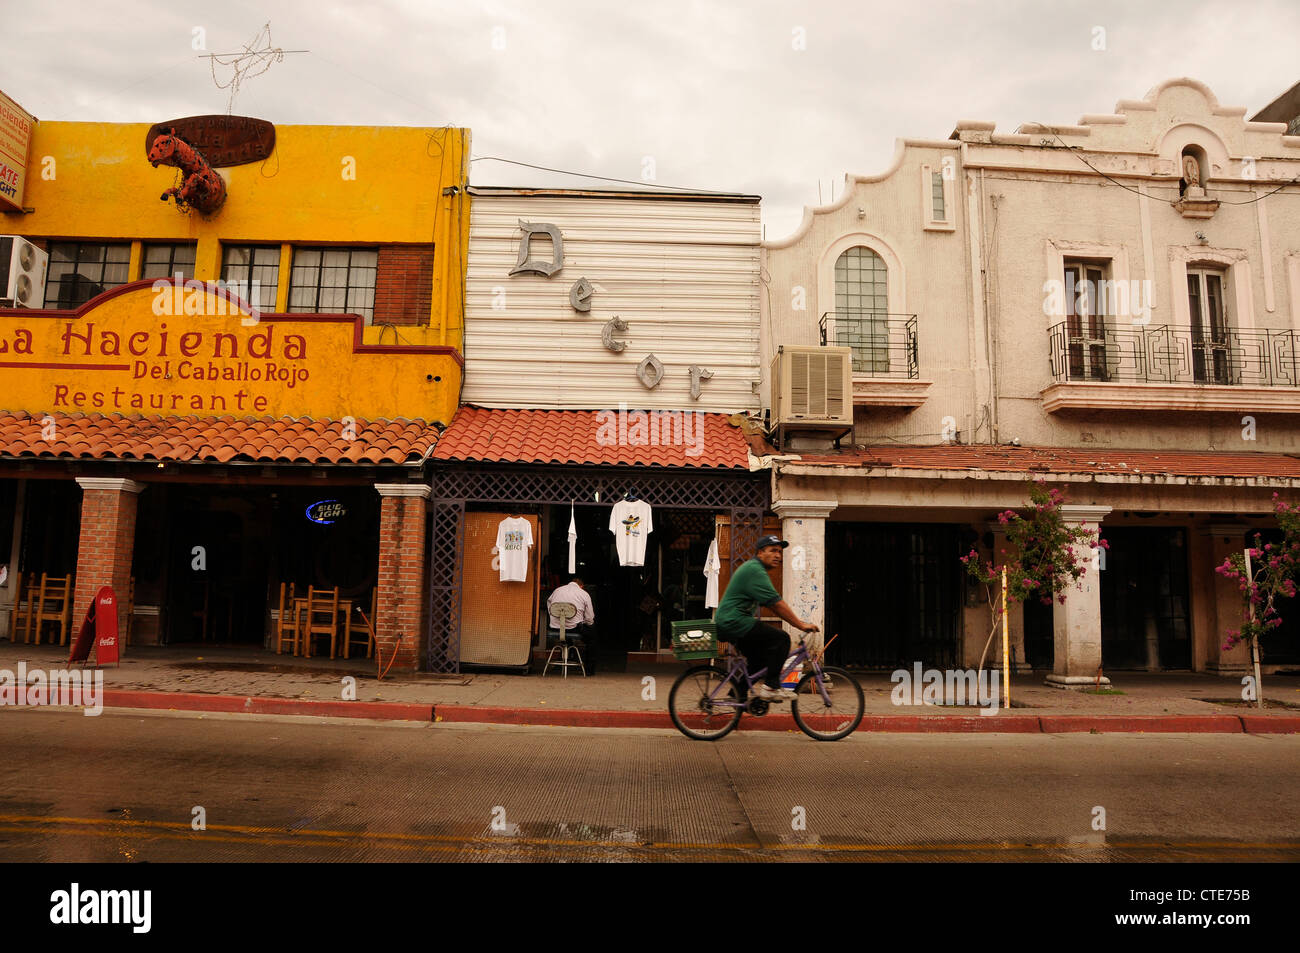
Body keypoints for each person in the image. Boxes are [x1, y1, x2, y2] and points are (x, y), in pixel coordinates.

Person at [715, 535, 819, 701]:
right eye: (773, 550)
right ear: (760, 552)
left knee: (760, 661)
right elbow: (777, 604)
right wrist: (801, 625)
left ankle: (735, 695)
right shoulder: (755, 570)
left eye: (779, 551)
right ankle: (771, 687)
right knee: (782, 639)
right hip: (734, 621)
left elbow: (772, 604)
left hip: (731, 623)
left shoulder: (755, 569)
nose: (778, 555)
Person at [547, 575, 598, 673]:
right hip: (574, 628)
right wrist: (587, 623)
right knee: (592, 638)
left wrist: (555, 620)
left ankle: (570, 655)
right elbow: (590, 618)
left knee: (567, 634)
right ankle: (589, 670)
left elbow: (550, 605)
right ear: (581, 586)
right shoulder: (584, 594)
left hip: (556, 628)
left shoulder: (557, 590)